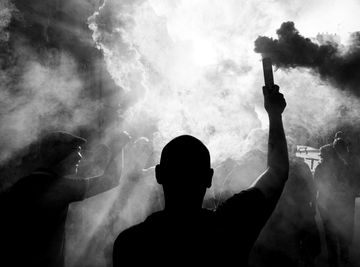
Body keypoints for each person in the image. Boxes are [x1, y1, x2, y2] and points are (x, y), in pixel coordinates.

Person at [113, 84, 289, 267]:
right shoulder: (229, 226)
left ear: (159, 175)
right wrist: (274, 114)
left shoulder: (130, 243)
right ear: (208, 178)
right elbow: (277, 171)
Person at [0, 131, 130, 267]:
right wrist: (118, 147)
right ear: (57, 153)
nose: (80, 156)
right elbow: (110, 180)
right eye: (75, 150)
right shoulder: (55, 187)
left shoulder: (24, 183)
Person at [251, 140, 320, 267]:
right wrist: (312, 207)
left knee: (303, 247)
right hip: (288, 214)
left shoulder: (288, 167)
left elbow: (311, 188)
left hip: (292, 213)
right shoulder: (299, 166)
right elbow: (312, 188)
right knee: (298, 248)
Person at [314, 144, 348, 267]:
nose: (320, 156)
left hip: (325, 204)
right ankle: (344, 256)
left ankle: (333, 260)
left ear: (326, 154)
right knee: (341, 229)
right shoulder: (343, 165)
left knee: (329, 232)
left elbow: (315, 185)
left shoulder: (321, 167)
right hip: (340, 202)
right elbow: (347, 185)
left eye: (322, 154)